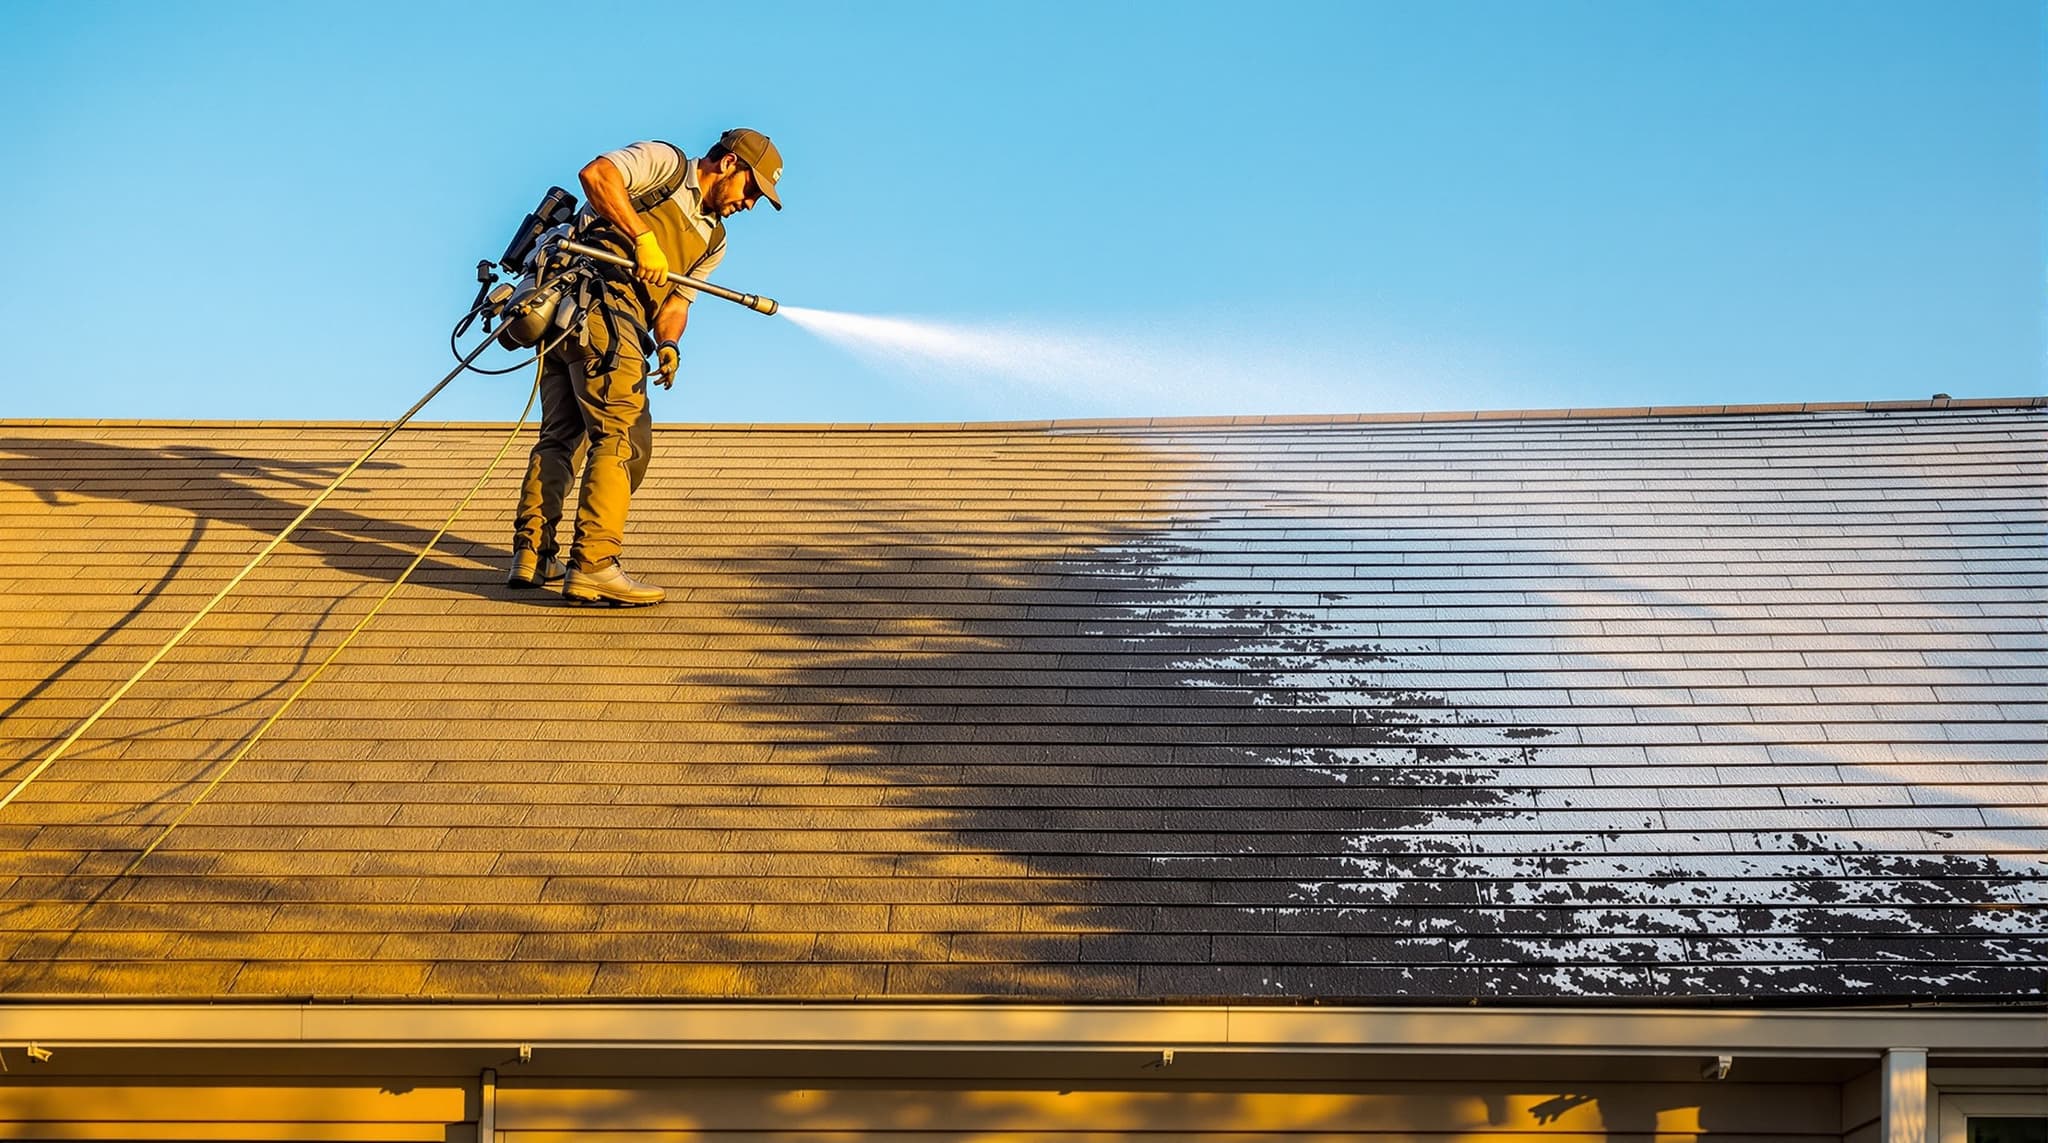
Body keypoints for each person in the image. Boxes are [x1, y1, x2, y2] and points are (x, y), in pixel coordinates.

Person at [507, 129, 783, 606]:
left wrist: (670, 342)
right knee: (623, 435)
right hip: (599, 308)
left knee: (562, 436)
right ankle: (593, 563)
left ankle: (534, 555)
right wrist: (643, 238)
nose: (751, 204)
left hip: (599, 325)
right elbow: (597, 175)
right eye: (752, 190)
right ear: (728, 163)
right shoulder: (666, 164)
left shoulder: (714, 239)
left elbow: (678, 300)